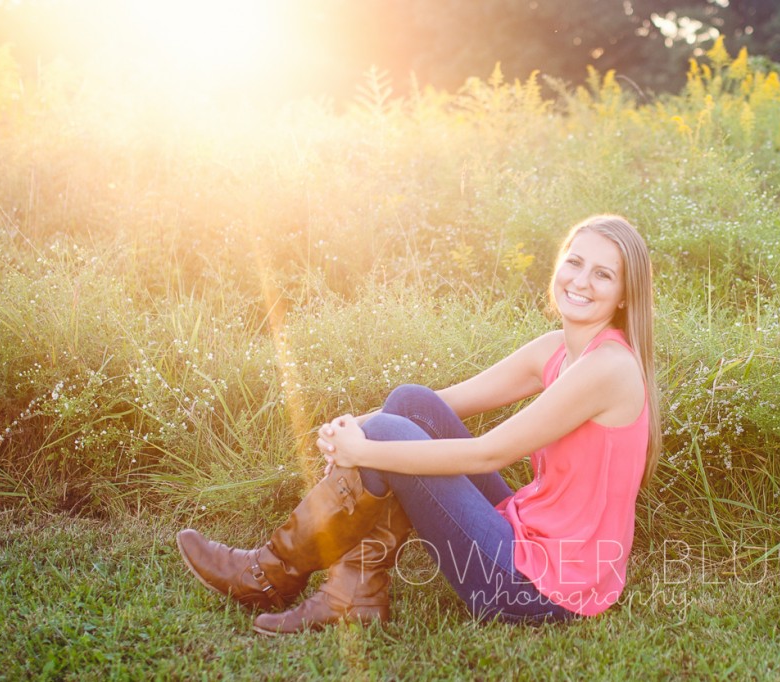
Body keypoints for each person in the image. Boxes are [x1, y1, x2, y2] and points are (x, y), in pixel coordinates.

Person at [176, 214, 661, 635]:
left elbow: (488, 454)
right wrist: (351, 427)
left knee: (389, 433)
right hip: (528, 536)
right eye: (574, 262)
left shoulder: (607, 368)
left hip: (541, 589)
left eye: (603, 274)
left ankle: (269, 572)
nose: (581, 281)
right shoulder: (556, 348)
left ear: (623, 295)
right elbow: (437, 406)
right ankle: (355, 593)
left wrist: (364, 450)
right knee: (411, 404)